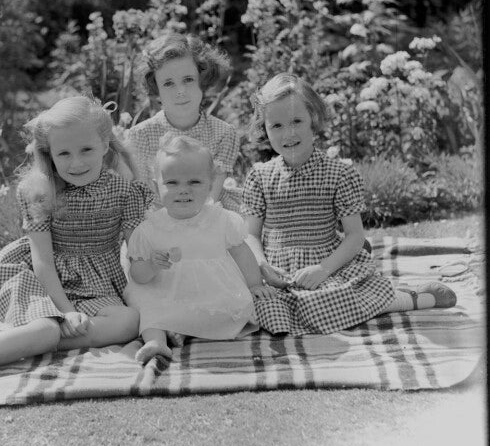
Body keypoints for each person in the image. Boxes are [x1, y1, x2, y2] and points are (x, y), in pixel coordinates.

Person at [0, 95, 153, 398]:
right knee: (48, 327)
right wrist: (66, 312)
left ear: (104, 144)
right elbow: (42, 261)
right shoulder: (40, 191)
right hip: (37, 278)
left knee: (128, 322)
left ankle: (21, 341)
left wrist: (155, 265)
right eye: (64, 153)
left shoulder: (125, 191)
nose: (76, 162)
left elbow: (136, 253)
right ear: (50, 154)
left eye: (86, 149)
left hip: (97, 283)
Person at [241, 73, 457, 336]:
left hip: (325, 265)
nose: (288, 133)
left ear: (314, 120)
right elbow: (250, 235)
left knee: (326, 301)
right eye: (276, 125)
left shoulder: (338, 174)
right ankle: (370, 301)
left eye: (297, 121)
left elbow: (355, 236)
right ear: (264, 128)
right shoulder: (260, 176)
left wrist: (323, 269)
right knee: (250, 304)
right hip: (274, 270)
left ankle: (410, 299)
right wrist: (261, 266)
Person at [124, 134, 274, 365]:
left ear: (210, 184)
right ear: (156, 186)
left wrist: (254, 284)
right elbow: (137, 275)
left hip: (211, 293)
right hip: (168, 294)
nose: (183, 190)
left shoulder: (221, 220)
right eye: (172, 183)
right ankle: (157, 341)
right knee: (146, 303)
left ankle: (183, 328)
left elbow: (242, 253)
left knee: (230, 307)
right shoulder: (150, 228)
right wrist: (152, 265)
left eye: (194, 182)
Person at [126, 32, 241, 211]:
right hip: (159, 215)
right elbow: (145, 194)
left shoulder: (223, 133)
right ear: (156, 88)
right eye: (168, 83)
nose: (180, 91)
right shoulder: (141, 135)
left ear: (202, 80)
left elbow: (212, 196)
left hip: (209, 214)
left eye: (188, 80)